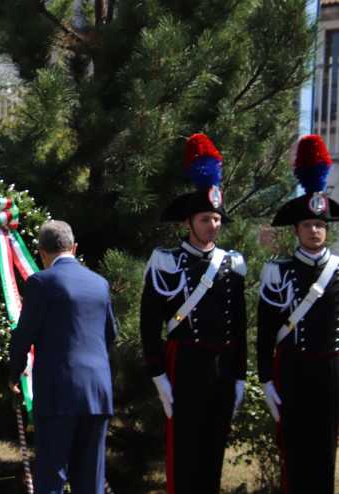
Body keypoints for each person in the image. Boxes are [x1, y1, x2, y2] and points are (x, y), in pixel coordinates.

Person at [140, 133, 247, 494]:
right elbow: (149, 323)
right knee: (184, 456)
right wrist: (158, 374)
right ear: (189, 222)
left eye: (216, 219)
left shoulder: (233, 264)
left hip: (221, 369)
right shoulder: (167, 261)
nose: (213, 226)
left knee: (213, 454)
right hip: (183, 366)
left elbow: (240, 325)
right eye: (205, 219)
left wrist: (240, 376)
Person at [9, 220, 117, 494]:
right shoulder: (99, 283)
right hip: (98, 391)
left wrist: (14, 375)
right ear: (75, 247)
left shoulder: (41, 282)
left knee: (52, 477)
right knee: (91, 480)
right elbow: (110, 335)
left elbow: (24, 336)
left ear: (42, 253)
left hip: (59, 392)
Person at [257, 134, 339, 493]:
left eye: (320, 225)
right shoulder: (278, 271)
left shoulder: (338, 270)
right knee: (294, 454)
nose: (315, 231)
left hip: (331, 373)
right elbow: (265, 328)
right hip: (293, 371)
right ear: (296, 230)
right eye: (308, 225)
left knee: (325, 455)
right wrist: (265, 378)